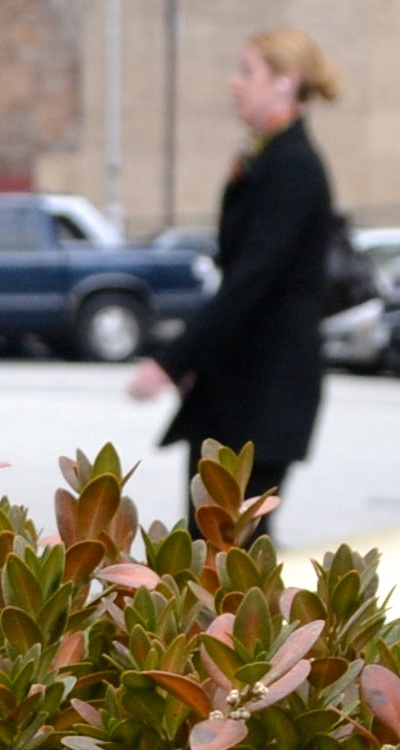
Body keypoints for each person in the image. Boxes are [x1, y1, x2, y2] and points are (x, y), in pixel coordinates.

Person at [130, 28, 340, 532]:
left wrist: (173, 359)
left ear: (286, 83)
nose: (234, 84)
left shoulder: (293, 166)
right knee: (214, 549)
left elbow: (252, 278)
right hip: (240, 393)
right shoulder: (268, 156)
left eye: (248, 72)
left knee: (229, 558)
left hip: (264, 398)